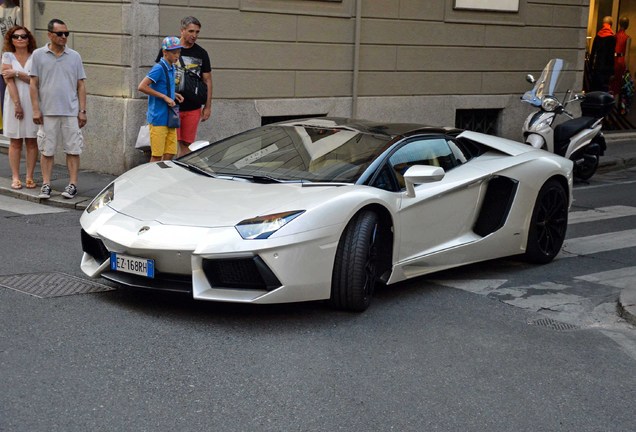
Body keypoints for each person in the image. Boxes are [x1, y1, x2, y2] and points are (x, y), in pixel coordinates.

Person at [29, 18, 87, 200]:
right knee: (47, 150)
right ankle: (46, 184)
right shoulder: (38, 55)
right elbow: (33, 84)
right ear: (50, 35)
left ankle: (73, 184)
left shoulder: (74, 56)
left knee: (73, 149)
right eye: (60, 34)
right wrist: (36, 109)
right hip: (47, 112)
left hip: (70, 111)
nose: (64, 37)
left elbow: (81, 85)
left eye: (66, 34)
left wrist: (82, 110)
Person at [156, 16, 212, 156]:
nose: (194, 35)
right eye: (191, 31)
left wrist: (208, 106)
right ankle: (168, 174)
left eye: (197, 32)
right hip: (172, 106)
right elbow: (158, 75)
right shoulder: (169, 49)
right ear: (182, 30)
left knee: (186, 144)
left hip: (193, 107)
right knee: (170, 145)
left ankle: (181, 173)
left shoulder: (201, 53)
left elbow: (208, 80)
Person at [2, 25, 38, 190]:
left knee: (32, 140)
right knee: (15, 141)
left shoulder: (36, 56)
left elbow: (37, 82)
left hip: (34, 102)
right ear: (11, 40)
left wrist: (17, 73)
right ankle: (16, 177)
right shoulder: (7, 56)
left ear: (29, 39)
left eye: (23, 36)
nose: (20, 39)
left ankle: (30, 176)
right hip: (14, 101)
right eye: (16, 37)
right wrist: (17, 104)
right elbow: (8, 81)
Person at [139, 36, 184, 162]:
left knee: (170, 152)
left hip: (170, 117)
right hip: (158, 117)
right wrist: (164, 96)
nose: (177, 56)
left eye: (179, 52)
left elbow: (163, 86)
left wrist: (173, 94)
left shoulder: (173, 67)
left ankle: (161, 179)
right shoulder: (159, 68)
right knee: (157, 155)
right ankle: (151, 180)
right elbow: (142, 86)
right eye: (174, 52)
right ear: (165, 52)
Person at [590, 16, 616, 92]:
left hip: (597, 67)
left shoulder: (598, 36)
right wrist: (612, 72)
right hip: (606, 69)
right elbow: (611, 56)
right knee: (603, 91)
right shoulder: (612, 38)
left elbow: (593, 53)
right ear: (611, 25)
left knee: (595, 89)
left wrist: (591, 67)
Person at [612, 16, 632, 110]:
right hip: (621, 61)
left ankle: (611, 109)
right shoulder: (627, 38)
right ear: (627, 25)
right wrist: (627, 68)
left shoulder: (614, 36)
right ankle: (616, 108)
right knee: (619, 85)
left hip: (614, 60)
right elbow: (627, 54)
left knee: (613, 85)